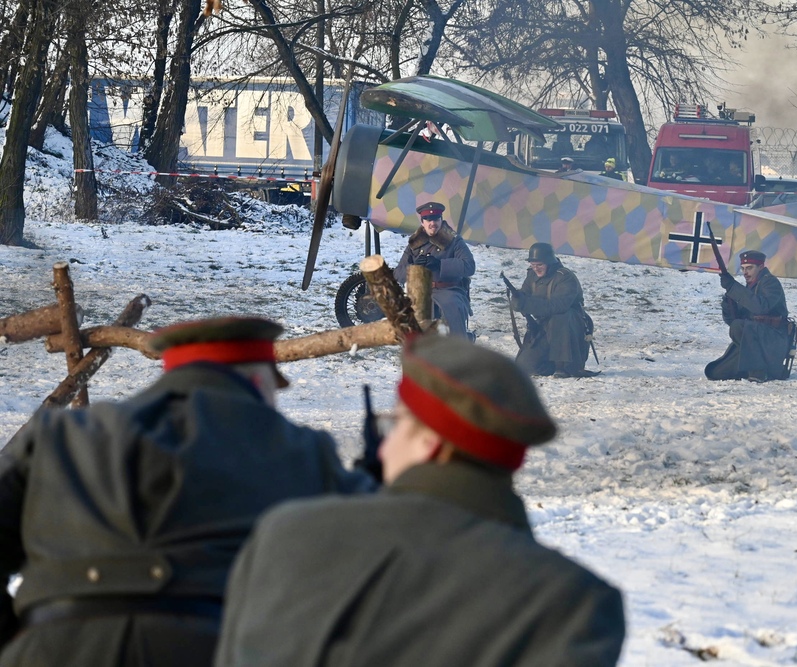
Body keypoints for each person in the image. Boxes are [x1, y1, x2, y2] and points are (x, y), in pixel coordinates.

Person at [213, 335, 626, 667]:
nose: (385, 445)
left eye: (394, 425)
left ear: (430, 441)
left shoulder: (286, 533)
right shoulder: (572, 603)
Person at [0, 316, 376, 667]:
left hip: (51, 647)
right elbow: (376, 552)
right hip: (217, 646)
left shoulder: (60, 436)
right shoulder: (299, 448)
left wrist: (20, 637)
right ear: (259, 382)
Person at [509, 242, 595, 378]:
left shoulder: (565, 277)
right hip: (544, 326)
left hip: (570, 328)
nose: (536, 269)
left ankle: (564, 366)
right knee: (525, 366)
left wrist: (527, 304)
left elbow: (558, 306)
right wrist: (517, 301)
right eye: (533, 265)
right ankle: (552, 365)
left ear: (549, 262)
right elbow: (523, 295)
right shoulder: (531, 276)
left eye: (540, 265)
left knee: (559, 316)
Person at [393, 201, 476, 340]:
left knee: (453, 309)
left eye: (436, 219)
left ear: (441, 220)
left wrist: (440, 264)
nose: (433, 223)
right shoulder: (415, 244)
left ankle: (460, 348)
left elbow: (469, 266)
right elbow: (398, 273)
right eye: (428, 220)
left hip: (449, 289)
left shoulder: (454, 241)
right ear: (423, 222)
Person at [705, 250, 791, 382]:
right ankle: (756, 367)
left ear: (761, 267)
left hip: (773, 339)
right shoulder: (749, 287)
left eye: (749, 268)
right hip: (752, 341)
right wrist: (729, 300)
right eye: (743, 268)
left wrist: (734, 288)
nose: (745, 272)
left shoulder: (770, 283)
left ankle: (760, 371)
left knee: (739, 326)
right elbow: (732, 321)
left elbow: (761, 307)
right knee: (714, 373)